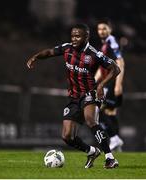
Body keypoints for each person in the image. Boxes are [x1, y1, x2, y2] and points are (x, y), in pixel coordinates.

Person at [27, 23, 120, 168]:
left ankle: (110, 158)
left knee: (91, 120)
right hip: (74, 96)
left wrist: (101, 85)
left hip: (91, 93)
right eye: (72, 36)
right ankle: (91, 151)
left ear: (86, 36)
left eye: (78, 36)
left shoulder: (94, 54)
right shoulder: (67, 48)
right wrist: (36, 57)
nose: (74, 39)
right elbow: (50, 52)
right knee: (67, 137)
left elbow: (115, 68)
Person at [94, 20, 125, 151]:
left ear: (110, 29)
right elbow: (102, 68)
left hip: (111, 82)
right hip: (107, 82)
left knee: (98, 110)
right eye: (99, 29)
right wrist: (94, 81)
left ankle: (114, 138)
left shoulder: (112, 41)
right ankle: (116, 141)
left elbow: (120, 62)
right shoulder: (105, 44)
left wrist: (118, 84)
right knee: (110, 112)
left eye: (104, 28)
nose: (101, 31)